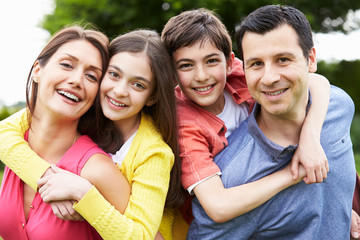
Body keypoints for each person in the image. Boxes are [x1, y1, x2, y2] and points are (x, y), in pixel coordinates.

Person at [186, 5, 356, 239]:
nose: (270, 78)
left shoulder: (337, 106)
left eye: (283, 60)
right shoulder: (234, 180)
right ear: (243, 70)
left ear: (311, 60)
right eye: (256, 64)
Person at [0, 29, 183, 240]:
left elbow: (145, 236)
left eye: (138, 85)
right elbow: (3, 133)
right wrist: (48, 180)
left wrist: (83, 193)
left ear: (151, 98)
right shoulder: (32, 134)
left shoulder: (151, 152)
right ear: (37, 70)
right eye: (113, 75)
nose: (120, 90)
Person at [161, 8, 330, 226]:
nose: (201, 76)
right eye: (186, 65)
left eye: (211, 61)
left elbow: (317, 81)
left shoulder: (243, 73)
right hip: (231, 218)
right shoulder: (183, 125)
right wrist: (294, 173)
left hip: (272, 177)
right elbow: (217, 207)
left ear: (230, 62)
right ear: (172, 72)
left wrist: (310, 137)